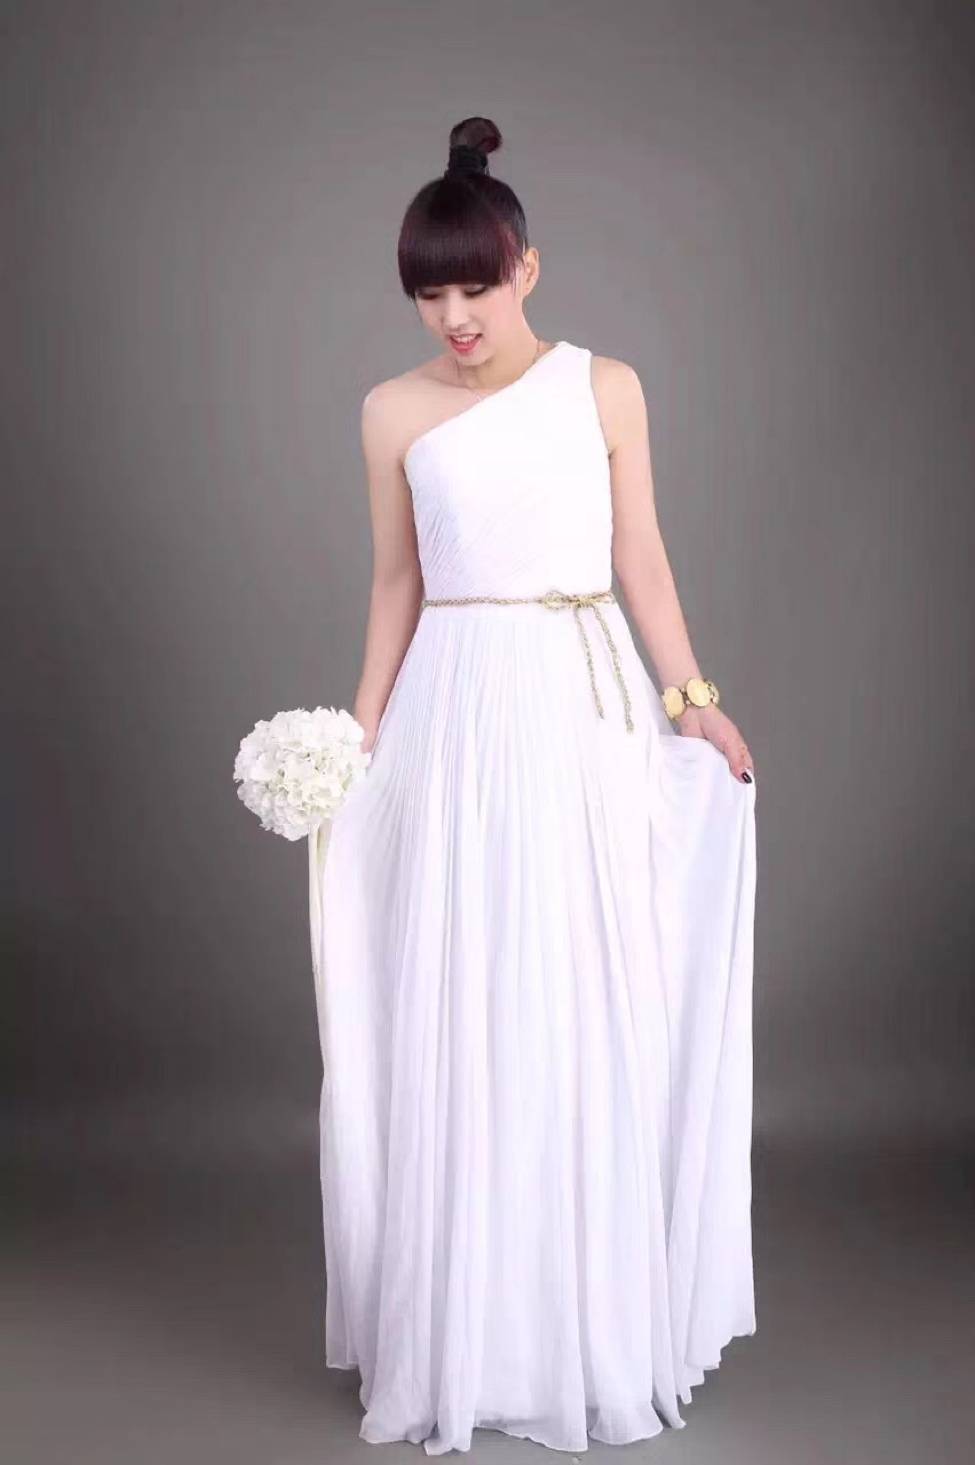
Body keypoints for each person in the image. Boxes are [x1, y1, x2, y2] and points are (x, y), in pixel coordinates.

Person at [308, 115, 758, 1455]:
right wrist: (356, 737)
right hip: (454, 707)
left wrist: (694, 698)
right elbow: (397, 583)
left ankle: (580, 1326)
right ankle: (473, 1329)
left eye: (476, 286)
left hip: (577, 700)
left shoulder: (603, 387)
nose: (455, 317)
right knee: (464, 991)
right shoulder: (391, 412)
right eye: (430, 294)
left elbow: (642, 555)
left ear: (529, 269)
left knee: (573, 987)